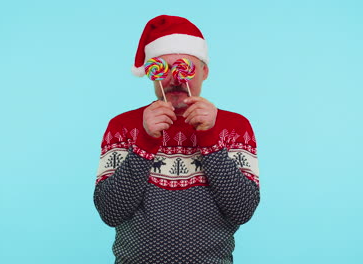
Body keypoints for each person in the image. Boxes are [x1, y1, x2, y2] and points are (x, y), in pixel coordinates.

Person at [94, 15, 260, 264]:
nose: (176, 78)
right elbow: (111, 212)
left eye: (185, 67)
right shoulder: (122, 126)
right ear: (152, 73)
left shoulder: (236, 127)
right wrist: (145, 142)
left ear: (205, 71)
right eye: (164, 68)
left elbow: (242, 209)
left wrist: (209, 137)